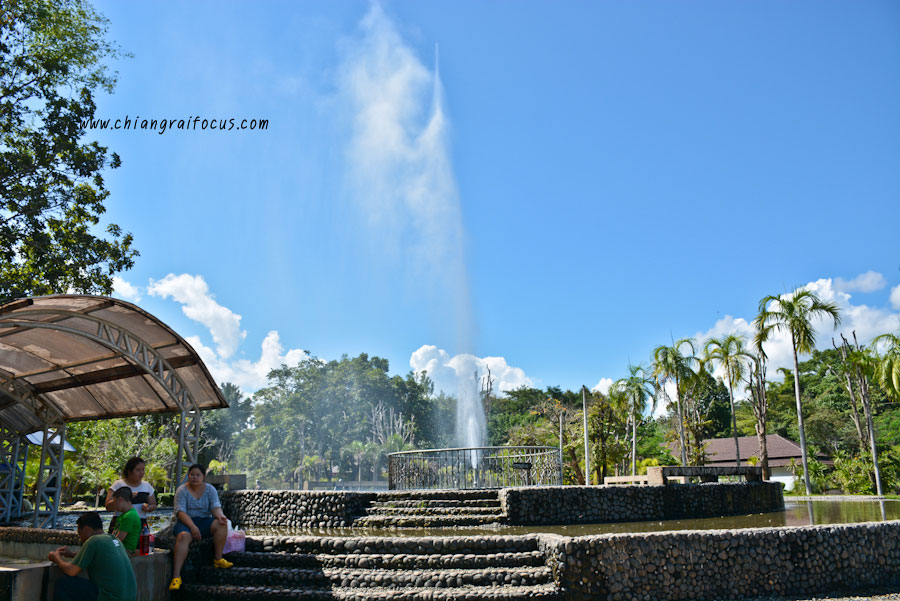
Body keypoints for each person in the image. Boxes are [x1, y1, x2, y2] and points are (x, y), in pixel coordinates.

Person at [169, 463, 233, 591]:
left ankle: (218, 558)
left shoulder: (210, 489)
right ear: (188, 476)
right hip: (185, 522)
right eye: (192, 474)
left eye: (198, 475)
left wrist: (220, 516)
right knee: (183, 536)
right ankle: (176, 577)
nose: (194, 477)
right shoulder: (182, 490)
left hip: (204, 521)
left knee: (222, 524)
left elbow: (215, 506)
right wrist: (192, 527)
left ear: (203, 477)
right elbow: (180, 512)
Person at [48, 511, 137, 601]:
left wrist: (56, 558)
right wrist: (71, 554)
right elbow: (97, 556)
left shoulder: (94, 540)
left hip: (109, 597)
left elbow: (71, 571)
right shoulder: (113, 539)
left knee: (63, 583)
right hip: (130, 597)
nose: (80, 537)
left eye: (80, 533)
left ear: (87, 530)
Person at [105, 457, 156, 528]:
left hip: (140, 523)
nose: (141, 473)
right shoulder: (118, 484)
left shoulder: (147, 486)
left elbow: (153, 504)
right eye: (138, 470)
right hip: (121, 523)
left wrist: (148, 507)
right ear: (129, 471)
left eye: (143, 469)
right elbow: (108, 507)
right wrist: (125, 498)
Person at [110, 488, 140, 553]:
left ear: (120, 500)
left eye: (115, 502)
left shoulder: (129, 516)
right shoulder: (124, 515)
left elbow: (119, 539)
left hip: (126, 551)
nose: (114, 505)